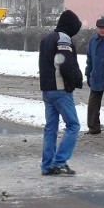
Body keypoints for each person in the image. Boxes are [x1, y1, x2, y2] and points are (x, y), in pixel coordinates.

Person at [37, 9, 83, 175]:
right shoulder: (63, 39)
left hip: (47, 89)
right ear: (70, 26)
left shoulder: (46, 39)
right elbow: (64, 64)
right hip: (60, 89)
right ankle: (60, 161)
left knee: (51, 128)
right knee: (73, 125)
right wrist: (72, 83)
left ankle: (46, 165)